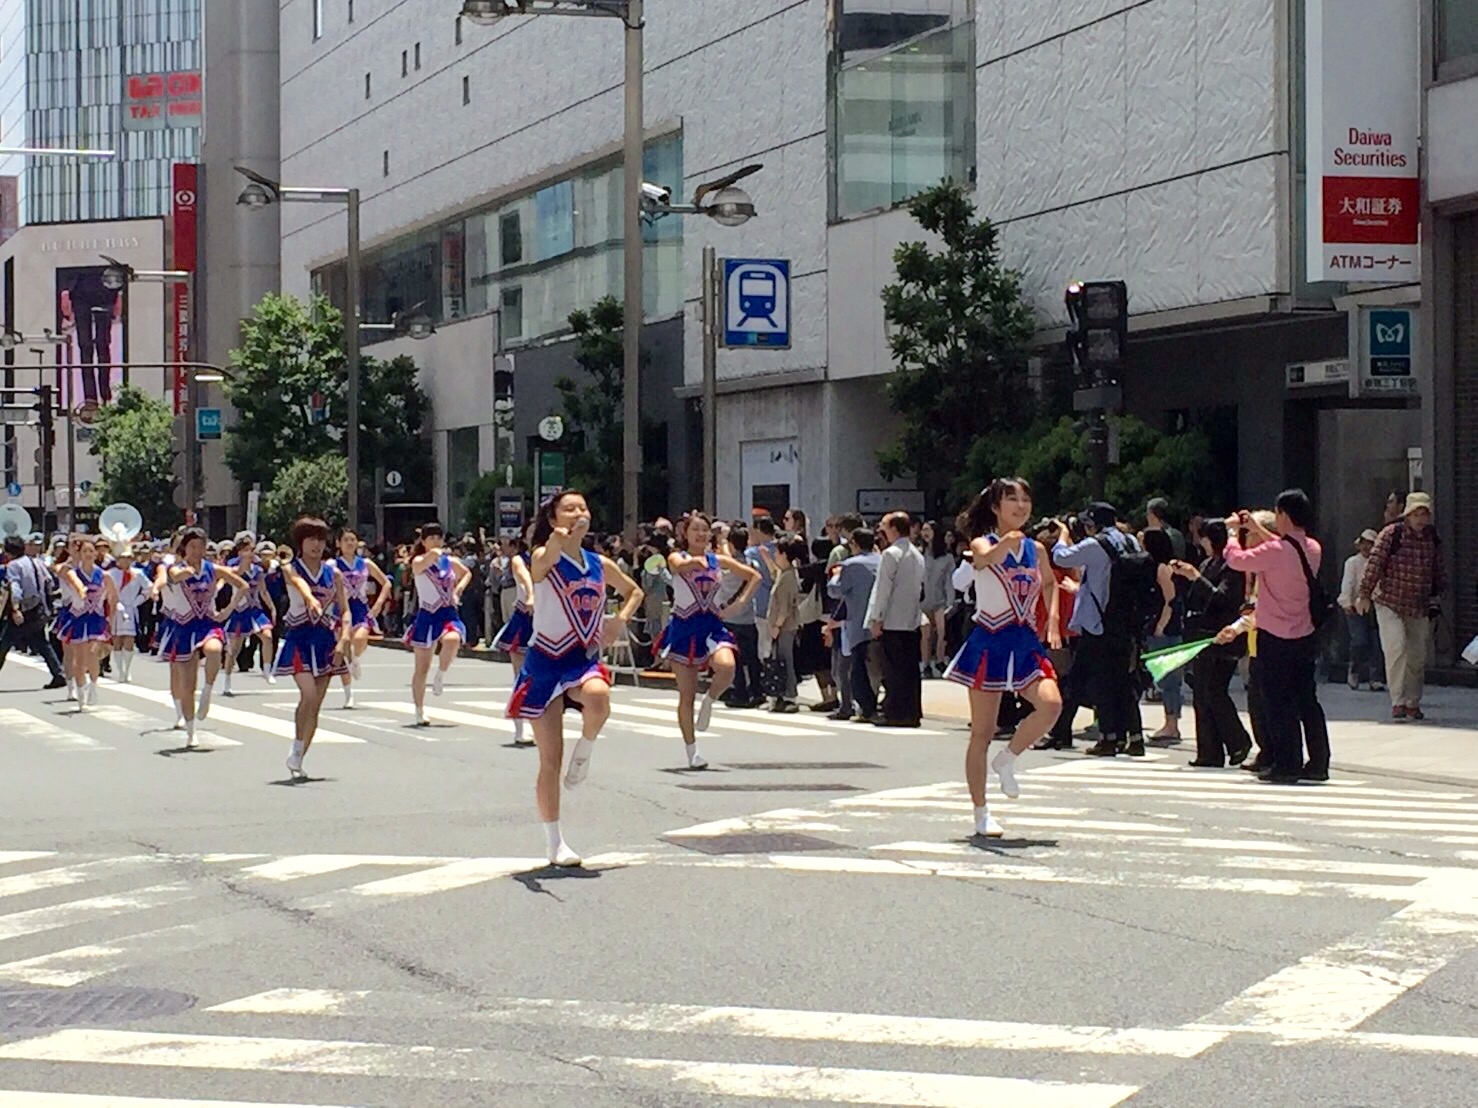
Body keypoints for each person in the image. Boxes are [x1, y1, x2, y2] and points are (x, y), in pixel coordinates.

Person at [507, 490, 643, 867]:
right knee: (550, 759)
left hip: (580, 658)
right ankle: (555, 842)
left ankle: (587, 746)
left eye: (583, 507)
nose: (579, 512)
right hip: (545, 658)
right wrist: (556, 540)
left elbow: (633, 591)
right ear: (554, 519)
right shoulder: (544, 556)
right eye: (569, 509)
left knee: (599, 696)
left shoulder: (599, 563)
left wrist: (619, 620)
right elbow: (542, 562)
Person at [944, 479, 1063, 838]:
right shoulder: (983, 542)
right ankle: (981, 812)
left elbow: (1049, 583)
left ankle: (1008, 758)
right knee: (982, 731)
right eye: (1012, 499)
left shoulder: (1036, 549)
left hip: (1024, 640)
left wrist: (1053, 619)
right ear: (996, 507)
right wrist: (1004, 545)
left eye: (1026, 499)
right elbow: (982, 560)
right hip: (990, 640)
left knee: (1051, 704)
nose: (1021, 505)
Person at [1223, 490, 1330, 783]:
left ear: (1283, 515)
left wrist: (1232, 533)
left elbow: (1236, 560)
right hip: (1304, 634)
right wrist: (1257, 528)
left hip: (1274, 635)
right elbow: (1286, 549)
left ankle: (1287, 763)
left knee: (1278, 703)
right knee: (1306, 700)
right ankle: (1319, 762)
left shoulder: (1274, 552)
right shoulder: (1312, 548)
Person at [658, 511, 760, 763]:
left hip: (712, 625)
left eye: (705, 529)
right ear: (685, 533)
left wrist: (738, 604)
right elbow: (678, 566)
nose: (701, 534)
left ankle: (711, 699)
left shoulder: (718, 560)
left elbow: (754, 576)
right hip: (684, 627)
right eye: (695, 529)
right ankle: (692, 751)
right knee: (687, 694)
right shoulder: (676, 556)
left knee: (728, 665)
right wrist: (696, 563)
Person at [1052, 503, 1145, 758]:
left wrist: (1062, 536)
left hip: (1099, 622)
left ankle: (1108, 738)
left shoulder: (1095, 544)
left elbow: (1061, 558)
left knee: (1099, 682)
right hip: (1126, 622)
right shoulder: (1130, 541)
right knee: (1123, 681)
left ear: (1093, 524)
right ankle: (1133, 738)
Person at [274, 517, 354, 780]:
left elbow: (345, 610)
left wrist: (343, 640)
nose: (316, 545)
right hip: (299, 637)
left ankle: (298, 757)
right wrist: (310, 599)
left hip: (325, 640)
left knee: (316, 704)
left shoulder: (334, 574)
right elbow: (299, 583)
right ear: (301, 542)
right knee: (308, 694)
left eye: (320, 539)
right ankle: (297, 745)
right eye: (311, 539)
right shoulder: (290, 567)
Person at [157, 527, 250, 749]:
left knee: (215, 650)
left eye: (201, 546)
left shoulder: (212, 568)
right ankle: (191, 731)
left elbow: (242, 585)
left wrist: (227, 611)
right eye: (192, 546)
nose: (197, 551)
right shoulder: (175, 567)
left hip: (207, 623)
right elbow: (173, 576)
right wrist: (185, 573)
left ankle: (208, 690)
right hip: (183, 626)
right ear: (185, 548)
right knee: (187, 684)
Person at [1358, 491, 1444, 722]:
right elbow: (1374, 564)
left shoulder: (1431, 537)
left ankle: (1412, 702)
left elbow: (1437, 569)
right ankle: (1398, 701)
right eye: (1416, 514)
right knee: (1396, 648)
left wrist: (1437, 597)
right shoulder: (1391, 534)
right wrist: (1364, 594)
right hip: (1389, 602)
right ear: (1407, 514)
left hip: (1418, 605)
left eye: (1424, 514)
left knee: (1418, 655)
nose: (1421, 519)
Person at [1173, 519, 1252, 767]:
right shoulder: (1208, 563)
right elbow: (1198, 596)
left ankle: (1238, 741)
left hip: (1225, 636)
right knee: (1201, 692)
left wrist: (1196, 577)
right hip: (1203, 634)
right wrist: (1186, 577)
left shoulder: (1232, 566)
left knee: (1215, 691)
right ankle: (1209, 752)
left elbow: (1221, 599)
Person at [404, 522, 472, 726]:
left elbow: (467, 573)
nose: (435, 541)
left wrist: (458, 589)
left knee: (453, 639)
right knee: (421, 667)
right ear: (423, 541)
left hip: (447, 611)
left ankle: (441, 673)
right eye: (431, 538)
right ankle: (419, 709)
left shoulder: (450, 562)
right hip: (427, 614)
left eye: (438, 537)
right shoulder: (418, 560)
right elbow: (420, 565)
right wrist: (433, 553)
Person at [865, 511, 926, 728]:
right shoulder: (917, 555)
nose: (882, 530)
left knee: (892, 669)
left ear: (894, 529)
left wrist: (876, 617)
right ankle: (912, 712)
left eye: (884, 526)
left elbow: (883, 589)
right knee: (910, 669)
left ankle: (895, 712)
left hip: (892, 619)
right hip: (911, 619)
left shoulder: (890, 554)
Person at [57, 535, 117, 710]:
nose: (89, 554)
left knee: (93, 655)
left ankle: (93, 686)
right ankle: (80, 692)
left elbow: (113, 597)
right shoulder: (72, 572)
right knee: (79, 657)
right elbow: (74, 582)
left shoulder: (104, 575)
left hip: (96, 619)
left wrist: (111, 620)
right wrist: (81, 590)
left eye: (91, 551)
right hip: (78, 618)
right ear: (80, 554)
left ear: (96, 553)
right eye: (85, 551)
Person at [335, 527, 392, 710]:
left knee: (360, 638)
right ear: (338, 543)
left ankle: (356, 658)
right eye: (346, 540)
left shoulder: (365, 563)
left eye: (352, 540)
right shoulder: (332, 565)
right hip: (340, 608)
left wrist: (378, 604)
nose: (350, 543)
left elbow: (386, 583)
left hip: (360, 608)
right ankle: (348, 693)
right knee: (344, 650)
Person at [828, 527, 881, 723]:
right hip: (880, 620)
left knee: (858, 669)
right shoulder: (881, 560)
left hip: (857, 622)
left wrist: (835, 574)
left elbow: (835, 590)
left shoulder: (850, 564)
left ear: (855, 544)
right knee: (880, 667)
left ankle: (866, 709)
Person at [1, 535, 66, 688]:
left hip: (25, 609)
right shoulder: (37, 562)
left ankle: (58, 674)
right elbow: (49, 581)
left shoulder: (14, 566)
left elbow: (15, 587)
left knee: (4, 642)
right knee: (41, 642)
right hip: (39, 608)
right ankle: (58, 674)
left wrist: (15, 608)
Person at [490, 538, 536, 745]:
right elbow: (525, 578)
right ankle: (520, 728)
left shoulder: (554, 558)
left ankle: (540, 725)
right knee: (521, 675)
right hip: (525, 617)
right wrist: (531, 595)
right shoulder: (519, 559)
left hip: (548, 618)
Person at [1140, 529, 1185, 744]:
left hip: (1166, 630)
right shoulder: (1162, 567)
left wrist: (1160, 626)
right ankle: (1170, 723)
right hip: (1165, 628)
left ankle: (1171, 724)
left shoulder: (1162, 569)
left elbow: (1170, 600)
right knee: (1166, 678)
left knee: (1169, 679)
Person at [221, 536, 277, 697]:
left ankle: (267, 670)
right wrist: (243, 565)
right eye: (246, 550)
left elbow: (263, 591)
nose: (250, 553)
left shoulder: (257, 570)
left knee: (267, 636)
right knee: (234, 648)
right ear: (240, 551)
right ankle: (227, 680)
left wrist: (272, 608)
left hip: (254, 608)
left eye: (252, 550)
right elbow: (234, 578)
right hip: (239, 609)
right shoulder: (233, 568)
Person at [717, 523, 764, 708]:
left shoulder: (727, 567)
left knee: (734, 658)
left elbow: (724, 561)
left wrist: (722, 542)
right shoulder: (753, 564)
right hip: (748, 616)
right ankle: (757, 691)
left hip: (729, 616)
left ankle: (740, 693)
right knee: (752, 658)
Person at [1338, 528, 1385, 692]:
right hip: (1355, 605)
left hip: (1376, 605)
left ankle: (1376, 677)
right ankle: (1355, 670)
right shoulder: (1352, 562)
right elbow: (1348, 582)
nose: (1367, 547)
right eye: (1364, 543)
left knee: (1376, 643)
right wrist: (1346, 602)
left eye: (1370, 544)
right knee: (1360, 641)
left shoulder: (1380, 563)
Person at [763, 538, 806, 714]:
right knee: (779, 660)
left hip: (785, 627)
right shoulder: (785, 573)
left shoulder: (788, 577)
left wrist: (777, 626)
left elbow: (785, 607)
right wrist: (767, 558)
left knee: (785, 661)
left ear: (785, 555)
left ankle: (790, 696)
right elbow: (774, 573)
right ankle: (780, 694)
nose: (775, 555)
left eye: (778, 552)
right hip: (782, 626)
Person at [105, 543, 149, 684]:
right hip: (115, 610)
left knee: (129, 640)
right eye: (123, 558)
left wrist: (138, 601)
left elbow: (148, 588)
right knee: (117, 641)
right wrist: (113, 602)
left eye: (129, 558)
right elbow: (105, 591)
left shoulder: (138, 573)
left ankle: (128, 669)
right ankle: (120, 671)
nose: (126, 560)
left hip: (130, 609)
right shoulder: (111, 573)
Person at [920, 520, 954, 678]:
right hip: (922, 601)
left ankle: (940, 660)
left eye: (928, 530)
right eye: (923, 530)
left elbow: (949, 581)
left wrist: (950, 602)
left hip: (940, 599)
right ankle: (926, 664)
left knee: (941, 632)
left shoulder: (947, 557)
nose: (925, 533)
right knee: (926, 635)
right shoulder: (919, 554)